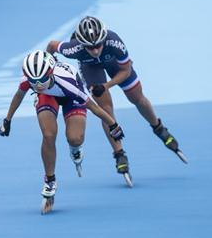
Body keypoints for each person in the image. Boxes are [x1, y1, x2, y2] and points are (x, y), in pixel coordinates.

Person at [48, 16, 187, 174]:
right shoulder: (73, 49)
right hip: (90, 68)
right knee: (105, 110)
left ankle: (158, 127)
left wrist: (106, 86)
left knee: (137, 97)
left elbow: (126, 70)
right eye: (90, 47)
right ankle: (119, 153)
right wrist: (49, 68)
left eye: (98, 45)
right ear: (81, 44)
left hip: (114, 64)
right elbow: (51, 46)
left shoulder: (114, 42)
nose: (95, 50)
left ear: (104, 39)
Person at [0, 50, 128, 213]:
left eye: (42, 79)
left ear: (50, 73)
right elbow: (19, 96)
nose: (38, 85)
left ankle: (75, 148)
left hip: (70, 96)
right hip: (47, 96)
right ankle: (50, 180)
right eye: (34, 81)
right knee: (48, 135)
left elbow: (94, 108)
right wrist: (7, 120)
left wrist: (113, 125)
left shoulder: (68, 83)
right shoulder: (28, 78)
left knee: (75, 138)